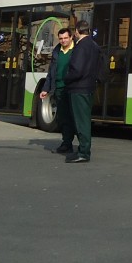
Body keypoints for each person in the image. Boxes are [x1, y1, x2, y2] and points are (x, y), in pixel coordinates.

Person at [62, 20, 102, 164]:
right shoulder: (94, 46)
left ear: (77, 31)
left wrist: (66, 78)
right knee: (84, 120)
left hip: (78, 88)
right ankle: (82, 150)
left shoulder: (80, 47)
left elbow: (76, 70)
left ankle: (83, 152)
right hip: (89, 87)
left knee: (81, 122)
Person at [37, 28, 76, 154]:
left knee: (75, 118)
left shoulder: (77, 50)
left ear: (71, 37)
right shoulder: (56, 51)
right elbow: (51, 73)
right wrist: (45, 89)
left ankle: (82, 147)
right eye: (61, 39)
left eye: (66, 38)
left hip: (72, 89)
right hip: (59, 89)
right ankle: (66, 144)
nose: (63, 41)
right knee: (63, 118)